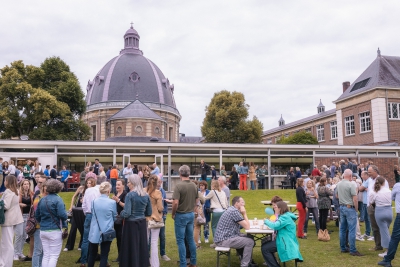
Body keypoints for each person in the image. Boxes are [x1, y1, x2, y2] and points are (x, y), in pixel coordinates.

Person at [214, 196, 256, 267]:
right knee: (250, 242)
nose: (244, 204)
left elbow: (240, 225)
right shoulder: (234, 211)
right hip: (223, 240)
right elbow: (247, 227)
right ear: (237, 203)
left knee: (250, 237)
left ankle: (246, 259)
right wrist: (244, 213)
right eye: (242, 202)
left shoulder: (232, 210)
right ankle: (245, 264)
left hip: (225, 237)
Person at [120, 174, 152, 267]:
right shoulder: (146, 195)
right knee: (141, 246)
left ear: (133, 183)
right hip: (142, 223)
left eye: (129, 182)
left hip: (131, 224)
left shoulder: (130, 195)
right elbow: (149, 212)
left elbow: (127, 213)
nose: (127, 184)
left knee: (130, 246)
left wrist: (120, 214)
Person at [172, 165, 201, 267]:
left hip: (181, 214)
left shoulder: (178, 186)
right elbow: (197, 200)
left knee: (180, 241)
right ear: (189, 173)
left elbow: (175, 202)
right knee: (190, 239)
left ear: (180, 174)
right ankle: (193, 262)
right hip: (190, 214)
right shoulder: (194, 185)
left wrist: (173, 213)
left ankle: (183, 263)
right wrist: (195, 209)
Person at [35, 179, 68, 267]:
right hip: (54, 230)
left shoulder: (42, 200)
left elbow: (37, 215)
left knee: (46, 255)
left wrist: (42, 222)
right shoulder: (58, 199)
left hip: (43, 230)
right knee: (53, 256)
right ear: (58, 188)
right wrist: (66, 215)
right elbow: (62, 215)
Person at [262, 201, 303, 267]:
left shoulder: (284, 217)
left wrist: (266, 221)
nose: (274, 209)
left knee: (265, 248)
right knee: (265, 243)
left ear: (280, 209)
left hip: (285, 242)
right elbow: (277, 225)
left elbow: (275, 226)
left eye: (276, 207)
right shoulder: (286, 215)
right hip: (286, 239)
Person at [88, 182, 116, 267]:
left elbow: (92, 213)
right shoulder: (112, 203)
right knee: (104, 255)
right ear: (108, 191)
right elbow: (114, 216)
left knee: (92, 254)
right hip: (106, 231)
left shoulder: (94, 201)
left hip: (94, 231)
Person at [361, 165, 389, 251]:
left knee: (383, 226)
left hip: (379, 206)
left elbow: (385, 193)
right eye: (368, 172)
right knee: (374, 227)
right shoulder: (370, 180)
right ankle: (378, 245)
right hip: (371, 206)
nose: (368, 174)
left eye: (370, 172)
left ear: (376, 171)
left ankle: (386, 245)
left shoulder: (383, 181)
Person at [336, 169, 363, 256]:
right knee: (352, 230)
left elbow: (337, 195)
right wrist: (356, 208)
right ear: (351, 176)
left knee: (342, 229)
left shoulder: (339, 184)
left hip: (342, 206)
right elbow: (355, 198)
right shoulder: (351, 184)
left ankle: (343, 247)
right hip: (349, 207)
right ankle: (353, 250)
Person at [64, 178, 95, 252]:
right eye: (87, 183)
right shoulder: (81, 188)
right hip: (77, 209)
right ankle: (69, 246)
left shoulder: (93, 191)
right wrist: (71, 206)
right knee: (73, 228)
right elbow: (74, 196)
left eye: (90, 183)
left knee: (83, 228)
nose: (88, 184)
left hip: (85, 211)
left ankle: (81, 245)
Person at [0, 175, 24, 267]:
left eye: (5, 180)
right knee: (7, 242)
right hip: (14, 219)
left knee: (6, 243)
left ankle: (5, 264)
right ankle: (5, 262)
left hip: (8, 220)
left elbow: (5, 205)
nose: (4, 182)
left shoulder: (8, 191)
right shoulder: (16, 191)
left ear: (8, 182)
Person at [378, 177, 400, 267]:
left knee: (395, 238)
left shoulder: (397, 186)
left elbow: (393, 197)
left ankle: (387, 260)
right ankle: (387, 259)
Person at [80, 177, 102, 267]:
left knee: (85, 239)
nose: (88, 185)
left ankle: (83, 261)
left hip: (89, 214)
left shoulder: (88, 191)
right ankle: (105, 260)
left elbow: (84, 205)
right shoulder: (99, 190)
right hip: (97, 214)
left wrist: (87, 213)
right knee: (101, 238)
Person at [369, 177, 392, 257]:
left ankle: (388, 250)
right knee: (386, 231)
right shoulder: (389, 191)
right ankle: (388, 248)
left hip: (380, 211)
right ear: (384, 183)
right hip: (389, 211)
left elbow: (371, 202)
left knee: (384, 232)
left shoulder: (375, 192)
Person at [144, 175, 163, 267]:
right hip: (155, 219)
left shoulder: (144, 191)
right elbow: (160, 207)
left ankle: (144, 261)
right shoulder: (157, 192)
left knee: (145, 241)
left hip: (145, 218)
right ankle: (155, 264)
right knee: (154, 242)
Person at [30, 174, 48, 266]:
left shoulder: (50, 196)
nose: (38, 184)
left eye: (41, 182)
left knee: (43, 251)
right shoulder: (38, 195)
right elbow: (37, 213)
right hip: (39, 226)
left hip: (46, 227)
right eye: (38, 182)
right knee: (38, 250)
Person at [14, 179, 33, 260]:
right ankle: (15, 253)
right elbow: (14, 203)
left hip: (28, 216)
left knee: (24, 236)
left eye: (27, 184)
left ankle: (20, 252)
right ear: (22, 185)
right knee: (19, 235)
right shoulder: (18, 193)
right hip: (20, 216)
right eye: (24, 184)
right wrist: (19, 204)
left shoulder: (31, 194)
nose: (26, 185)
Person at [204, 180, 228, 245]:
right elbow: (226, 202)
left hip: (216, 211)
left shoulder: (213, 191)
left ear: (213, 185)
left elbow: (205, 198)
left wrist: (199, 195)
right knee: (221, 227)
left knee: (214, 227)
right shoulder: (223, 192)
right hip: (224, 211)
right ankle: (223, 240)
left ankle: (216, 242)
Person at [111, 179, 126, 262]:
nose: (117, 186)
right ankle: (119, 256)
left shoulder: (125, 194)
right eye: (116, 185)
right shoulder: (116, 193)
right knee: (118, 238)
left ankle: (122, 257)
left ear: (123, 185)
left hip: (122, 219)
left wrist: (118, 200)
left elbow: (126, 206)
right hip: (116, 219)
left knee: (121, 238)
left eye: (119, 185)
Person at [158, 177, 171, 261]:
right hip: (153, 216)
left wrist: (165, 213)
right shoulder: (151, 191)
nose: (159, 183)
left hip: (162, 216)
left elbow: (165, 203)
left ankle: (163, 254)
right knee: (150, 237)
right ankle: (148, 255)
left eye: (160, 181)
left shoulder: (162, 191)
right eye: (158, 181)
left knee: (162, 236)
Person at [360, 171, 373, 240]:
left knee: (370, 219)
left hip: (369, 202)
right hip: (364, 202)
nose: (361, 176)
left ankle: (373, 235)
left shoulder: (369, 181)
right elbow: (361, 189)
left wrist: (363, 188)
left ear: (366, 175)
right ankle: (367, 233)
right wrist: (364, 188)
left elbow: (360, 189)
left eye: (362, 175)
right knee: (366, 218)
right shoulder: (364, 181)